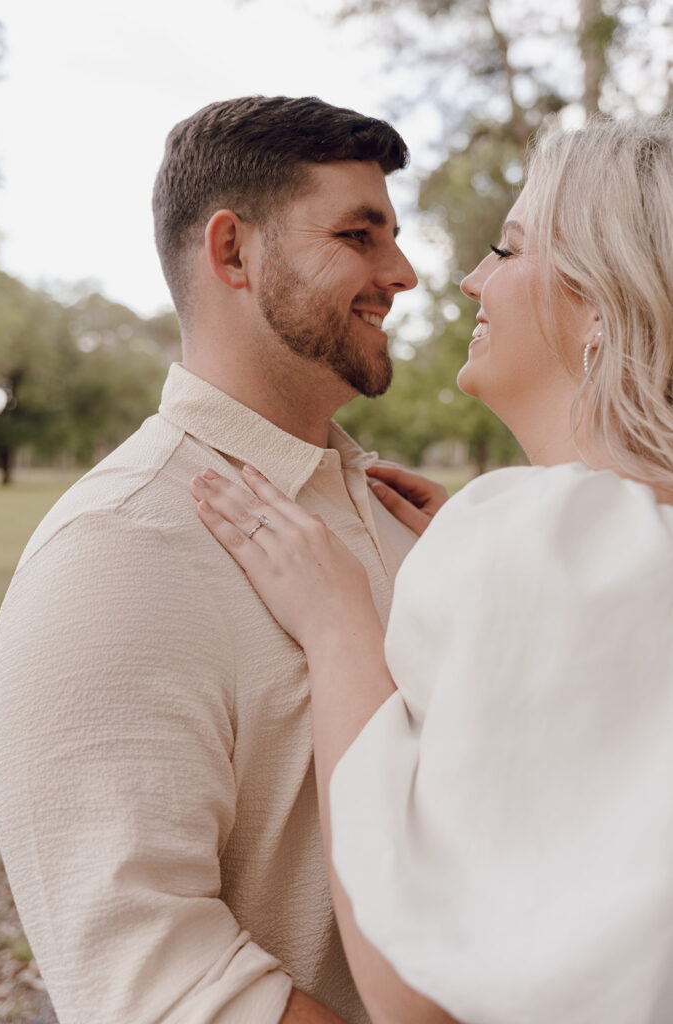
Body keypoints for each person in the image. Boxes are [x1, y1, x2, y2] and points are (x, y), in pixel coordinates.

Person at [189, 113, 673, 1024]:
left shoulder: (525, 545)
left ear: (602, 302)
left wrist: (338, 631)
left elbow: (415, 995)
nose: (465, 276)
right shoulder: (582, 555)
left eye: (509, 246)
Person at [0, 95, 419, 1024]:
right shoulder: (114, 551)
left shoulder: (401, 513)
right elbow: (158, 986)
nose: (405, 273)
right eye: (360, 234)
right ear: (232, 251)